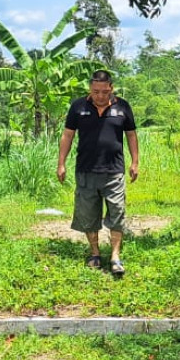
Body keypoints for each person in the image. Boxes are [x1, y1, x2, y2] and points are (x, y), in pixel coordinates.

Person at [57, 70, 140, 276]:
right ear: (90, 89)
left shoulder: (122, 107)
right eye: (96, 91)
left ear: (111, 88)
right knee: (88, 214)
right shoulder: (78, 107)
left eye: (104, 91)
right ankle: (94, 253)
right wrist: (61, 163)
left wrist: (135, 162)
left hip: (114, 171)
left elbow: (131, 135)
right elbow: (67, 135)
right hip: (86, 171)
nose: (100, 96)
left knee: (117, 213)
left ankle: (115, 256)